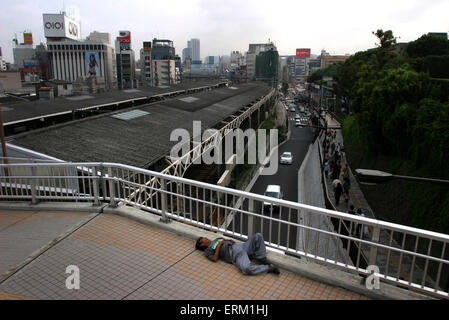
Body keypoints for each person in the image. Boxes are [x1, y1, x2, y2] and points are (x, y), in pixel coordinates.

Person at [195, 233, 280, 276]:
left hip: (239, 246)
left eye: (205, 237)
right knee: (246, 269)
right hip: (235, 254)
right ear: (202, 245)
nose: (206, 238)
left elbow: (228, 240)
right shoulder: (208, 251)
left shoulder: (217, 239)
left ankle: (261, 258)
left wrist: (231, 243)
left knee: (258, 236)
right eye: (204, 239)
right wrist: (219, 246)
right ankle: (268, 268)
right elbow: (214, 259)